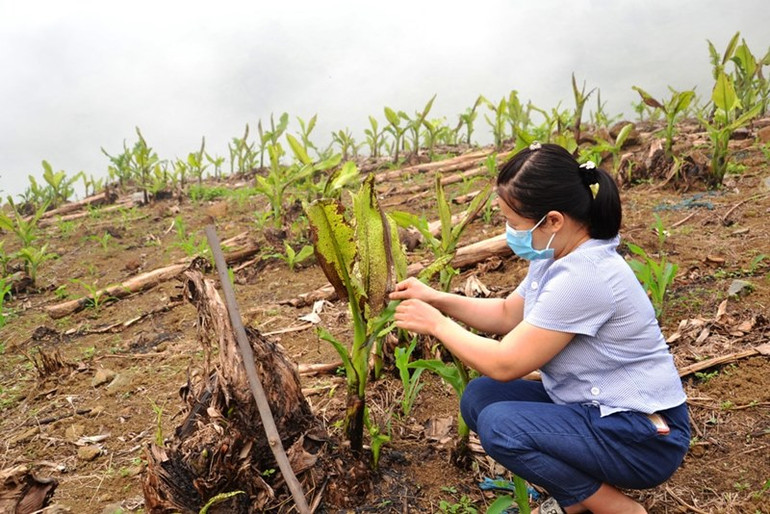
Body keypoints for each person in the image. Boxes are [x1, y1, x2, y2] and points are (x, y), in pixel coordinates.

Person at [390, 142, 690, 514]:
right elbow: (505, 314)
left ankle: (612, 507)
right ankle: (579, 494)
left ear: (552, 220)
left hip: (643, 435)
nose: (508, 233)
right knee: (481, 398)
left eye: (514, 224)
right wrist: (437, 297)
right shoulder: (558, 255)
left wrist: (436, 324)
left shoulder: (586, 275)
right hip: (595, 409)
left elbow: (505, 363)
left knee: (501, 425)